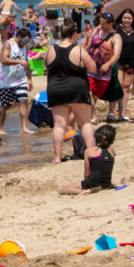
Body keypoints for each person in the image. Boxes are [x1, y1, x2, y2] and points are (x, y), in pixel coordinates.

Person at [46, 21, 97, 163]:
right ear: (74, 34)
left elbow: (46, 65)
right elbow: (92, 68)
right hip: (77, 89)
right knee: (85, 123)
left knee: (59, 125)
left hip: (56, 89)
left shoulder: (51, 49)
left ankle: (56, 157)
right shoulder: (79, 50)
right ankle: (91, 151)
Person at [0, 27, 36, 135]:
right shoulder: (8, 44)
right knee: (4, 105)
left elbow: (26, 63)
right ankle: (1, 129)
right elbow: (4, 60)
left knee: (24, 101)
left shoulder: (25, 47)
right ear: (18, 37)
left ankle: (24, 127)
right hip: (5, 80)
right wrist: (19, 61)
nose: (25, 43)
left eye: (27, 41)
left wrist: (30, 79)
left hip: (19, 79)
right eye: (24, 41)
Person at [59, 123, 117, 195]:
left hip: (93, 183)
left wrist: (86, 184)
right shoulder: (111, 151)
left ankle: (85, 191)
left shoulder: (89, 152)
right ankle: (93, 189)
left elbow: (87, 173)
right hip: (106, 184)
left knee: (64, 189)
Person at [113, 9, 134, 121]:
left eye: (129, 18)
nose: (127, 20)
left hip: (132, 63)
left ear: (133, 19)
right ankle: (113, 111)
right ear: (121, 18)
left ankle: (122, 113)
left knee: (126, 89)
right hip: (119, 61)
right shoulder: (117, 28)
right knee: (119, 86)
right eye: (125, 18)